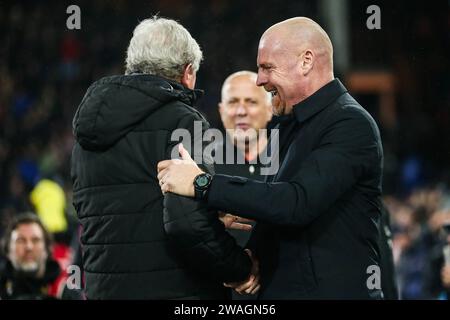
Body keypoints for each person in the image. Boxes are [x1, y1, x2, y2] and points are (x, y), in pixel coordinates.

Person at [157, 17, 385, 299]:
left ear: (306, 61)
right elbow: (277, 214)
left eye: (267, 67)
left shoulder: (350, 124)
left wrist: (202, 184)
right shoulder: (288, 124)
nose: (260, 80)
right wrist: (249, 261)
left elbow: (295, 203)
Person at [70, 16, 253, 299]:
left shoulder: (87, 133)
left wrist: (207, 216)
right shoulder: (185, 121)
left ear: (132, 65)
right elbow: (186, 224)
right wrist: (241, 269)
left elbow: (113, 215)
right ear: (187, 72)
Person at [215, 70, 273, 248]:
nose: (241, 111)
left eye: (251, 102)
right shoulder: (202, 165)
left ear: (270, 110)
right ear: (221, 110)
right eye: (233, 102)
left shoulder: (291, 161)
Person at [0, 213, 69, 299]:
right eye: (21, 240)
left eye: (35, 240)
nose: (29, 247)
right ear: (8, 249)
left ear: (47, 249)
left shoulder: (66, 290)